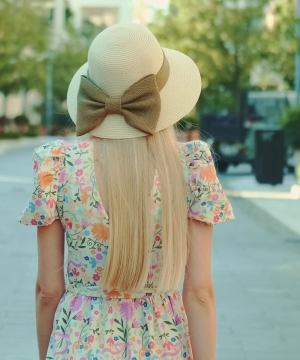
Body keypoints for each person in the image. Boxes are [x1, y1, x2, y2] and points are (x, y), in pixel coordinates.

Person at [19, 23, 234, 360]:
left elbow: (48, 291)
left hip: (78, 343)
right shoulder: (192, 167)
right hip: (163, 345)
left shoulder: (57, 166)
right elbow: (200, 292)